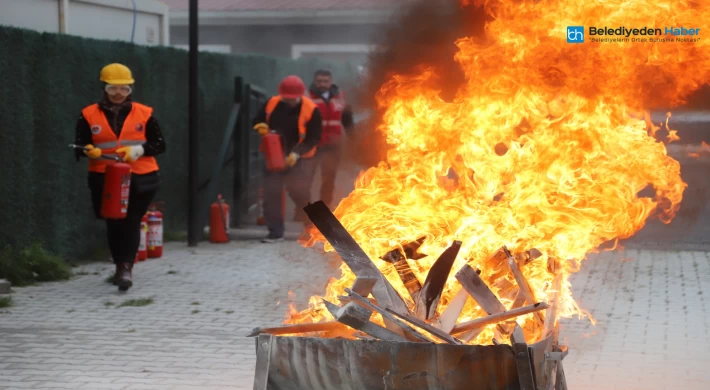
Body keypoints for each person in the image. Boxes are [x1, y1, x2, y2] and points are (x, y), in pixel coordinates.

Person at [74, 63, 165, 291]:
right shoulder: (88, 114)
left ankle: (126, 269)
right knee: (114, 222)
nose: (118, 93)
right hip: (105, 178)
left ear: (130, 90)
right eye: (113, 88)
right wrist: (87, 149)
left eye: (123, 89)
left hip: (141, 177)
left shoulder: (145, 113)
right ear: (104, 88)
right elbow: (79, 144)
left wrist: (139, 150)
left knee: (131, 220)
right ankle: (119, 266)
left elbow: (160, 144)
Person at [252, 75, 322, 243]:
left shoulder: (312, 110)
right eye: (286, 98)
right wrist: (260, 127)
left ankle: (314, 229)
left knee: (300, 193)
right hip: (273, 156)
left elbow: (314, 137)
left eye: (293, 99)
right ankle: (275, 232)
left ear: (301, 94)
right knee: (271, 193)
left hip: (300, 158)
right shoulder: (272, 103)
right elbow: (257, 119)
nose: (289, 101)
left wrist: (296, 153)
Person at [306, 69, 355, 210]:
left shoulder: (340, 97)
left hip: (333, 145)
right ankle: (303, 210)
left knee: (329, 179)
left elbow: (347, 120)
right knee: (307, 178)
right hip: (313, 144)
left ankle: (324, 207)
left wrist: (353, 139)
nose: (322, 84)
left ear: (331, 82)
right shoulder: (308, 97)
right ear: (315, 81)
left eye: (325, 81)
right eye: (319, 81)